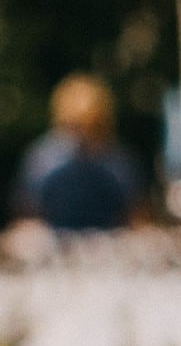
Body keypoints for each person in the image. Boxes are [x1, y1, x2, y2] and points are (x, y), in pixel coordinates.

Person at [12, 74, 143, 235]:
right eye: (75, 126)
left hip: (108, 249)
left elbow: (136, 215)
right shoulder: (43, 158)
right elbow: (26, 215)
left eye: (93, 126)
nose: (83, 136)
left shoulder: (119, 160)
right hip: (55, 249)